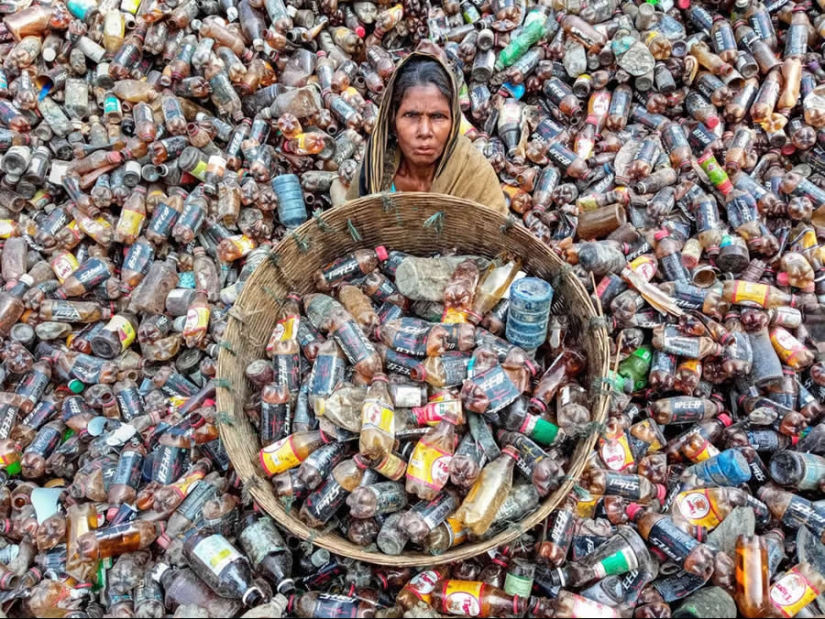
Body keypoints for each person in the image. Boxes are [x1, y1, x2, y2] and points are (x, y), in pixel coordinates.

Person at [345, 49, 508, 215]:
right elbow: (350, 229)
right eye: (411, 115)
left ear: (454, 121)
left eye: (438, 116)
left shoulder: (473, 173)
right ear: (393, 119)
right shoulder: (375, 169)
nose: (424, 131)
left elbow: (499, 236)